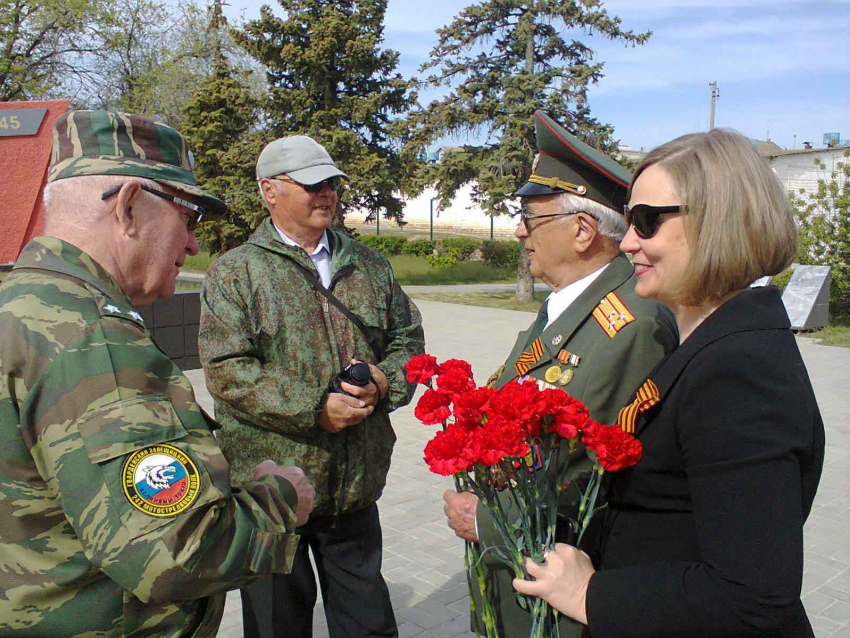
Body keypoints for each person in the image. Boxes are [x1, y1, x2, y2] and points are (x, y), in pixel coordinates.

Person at [0, 110, 316, 638]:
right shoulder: (96, 341)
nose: (193, 246)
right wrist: (279, 497)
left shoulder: (18, 302)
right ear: (127, 207)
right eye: (188, 220)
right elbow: (176, 555)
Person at [513, 128, 826, 637]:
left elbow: (753, 598)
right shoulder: (714, 345)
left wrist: (590, 594)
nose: (630, 240)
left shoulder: (738, 371)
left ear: (716, 222)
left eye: (645, 221)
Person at [441, 110, 678, 637]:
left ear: (582, 230)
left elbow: (596, 480)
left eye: (532, 217)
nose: (520, 230)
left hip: (566, 596)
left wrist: (485, 522)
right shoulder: (565, 309)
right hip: (523, 576)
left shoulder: (632, 326)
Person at [198, 134, 425, 638]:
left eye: (331, 184)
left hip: (353, 488)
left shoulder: (369, 264)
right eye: (311, 184)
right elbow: (226, 369)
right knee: (278, 625)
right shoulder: (235, 272)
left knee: (368, 623)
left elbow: (410, 340)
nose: (326, 194)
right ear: (269, 190)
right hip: (272, 491)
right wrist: (314, 408)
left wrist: (386, 380)